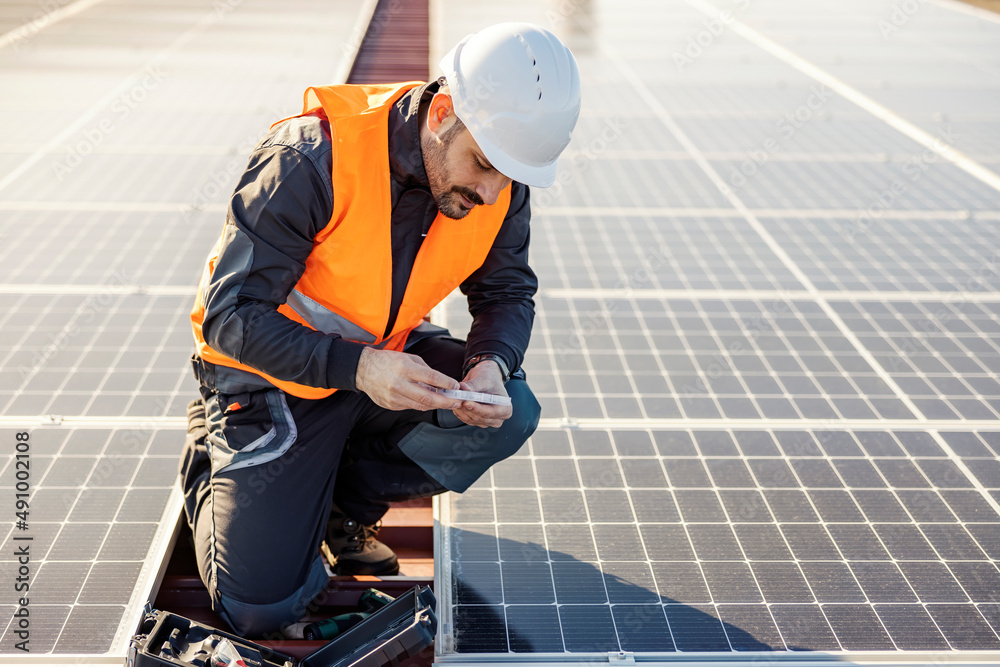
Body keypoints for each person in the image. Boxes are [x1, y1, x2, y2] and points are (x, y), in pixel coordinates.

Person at [178, 22, 581, 636]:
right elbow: (230, 316)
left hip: (380, 369)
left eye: (509, 175)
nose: (492, 190)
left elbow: (505, 290)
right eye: (485, 164)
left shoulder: (497, 183)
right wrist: (362, 369)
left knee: (512, 411)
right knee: (261, 610)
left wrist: (489, 365)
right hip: (271, 383)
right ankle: (214, 451)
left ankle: (344, 509)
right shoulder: (308, 160)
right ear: (444, 111)